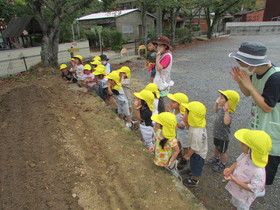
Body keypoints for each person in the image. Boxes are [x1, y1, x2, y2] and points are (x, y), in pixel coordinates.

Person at [229, 42, 280, 185]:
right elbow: (247, 93)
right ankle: (248, 182)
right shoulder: (255, 73)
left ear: (252, 63)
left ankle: (257, 189)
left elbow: (267, 107)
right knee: (253, 157)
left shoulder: (275, 78)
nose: (240, 67)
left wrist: (250, 86)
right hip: (259, 125)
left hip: (272, 129)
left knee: (265, 167)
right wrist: (240, 82)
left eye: (241, 63)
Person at [224, 129, 272, 210]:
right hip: (237, 190)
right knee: (234, 204)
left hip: (244, 197)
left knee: (240, 207)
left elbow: (252, 188)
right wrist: (230, 169)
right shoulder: (246, 155)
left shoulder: (258, 170)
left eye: (243, 143)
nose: (241, 144)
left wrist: (234, 180)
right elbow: (238, 162)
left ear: (251, 149)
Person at [207, 90, 240, 172]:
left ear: (229, 102)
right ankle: (216, 157)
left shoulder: (229, 113)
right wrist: (217, 103)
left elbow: (226, 122)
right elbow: (215, 110)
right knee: (216, 147)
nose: (219, 99)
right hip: (217, 134)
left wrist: (226, 111)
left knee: (222, 151)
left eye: (221, 98)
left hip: (223, 137)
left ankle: (223, 162)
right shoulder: (221, 109)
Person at [181, 101, 208, 186]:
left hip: (198, 154)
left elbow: (195, 148)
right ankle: (192, 170)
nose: (184, 113)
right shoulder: (197, 123)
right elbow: (189, 128)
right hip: (195, 150)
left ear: (192, 115)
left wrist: (188, 155)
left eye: (186, 112)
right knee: (193, 164)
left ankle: (195, 180)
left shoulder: (197, 133)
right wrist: (186, 122)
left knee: (197, 167)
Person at [149, 112, 181, 179]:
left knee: (171, 172)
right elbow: (157, 140)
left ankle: (176, 176)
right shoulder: (159, 131)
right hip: (159, 156)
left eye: (157, 122)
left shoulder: (171, 140)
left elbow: (176, 151)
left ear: (163, 125)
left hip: (167, 160)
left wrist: (171, 160)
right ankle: (161, 166)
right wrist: (154, 146)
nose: (155, 122)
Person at [166, 93, 189, 170]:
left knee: (185, 146)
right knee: (178, 142)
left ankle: (185, 158)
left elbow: (183, 126)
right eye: (171, 101)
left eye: (173, 102)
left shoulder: (183, 114)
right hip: (178, 133)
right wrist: (169, 111)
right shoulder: (175, 110)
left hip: (184, 134)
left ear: (180, 105)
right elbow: (173, 117)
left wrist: (175, 123)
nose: (170, 102)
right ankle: (178, 153)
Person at [154, 36, 173, 113]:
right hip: (160, 79)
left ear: (165, 46)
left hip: (162, 81)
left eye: (159, 45)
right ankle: (160, 113)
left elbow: (159, 67)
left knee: (159, 98)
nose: (158, 47)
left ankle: (161, 114)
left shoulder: (167, 56)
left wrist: (157, 56)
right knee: (158, 98)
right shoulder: (165, 54)